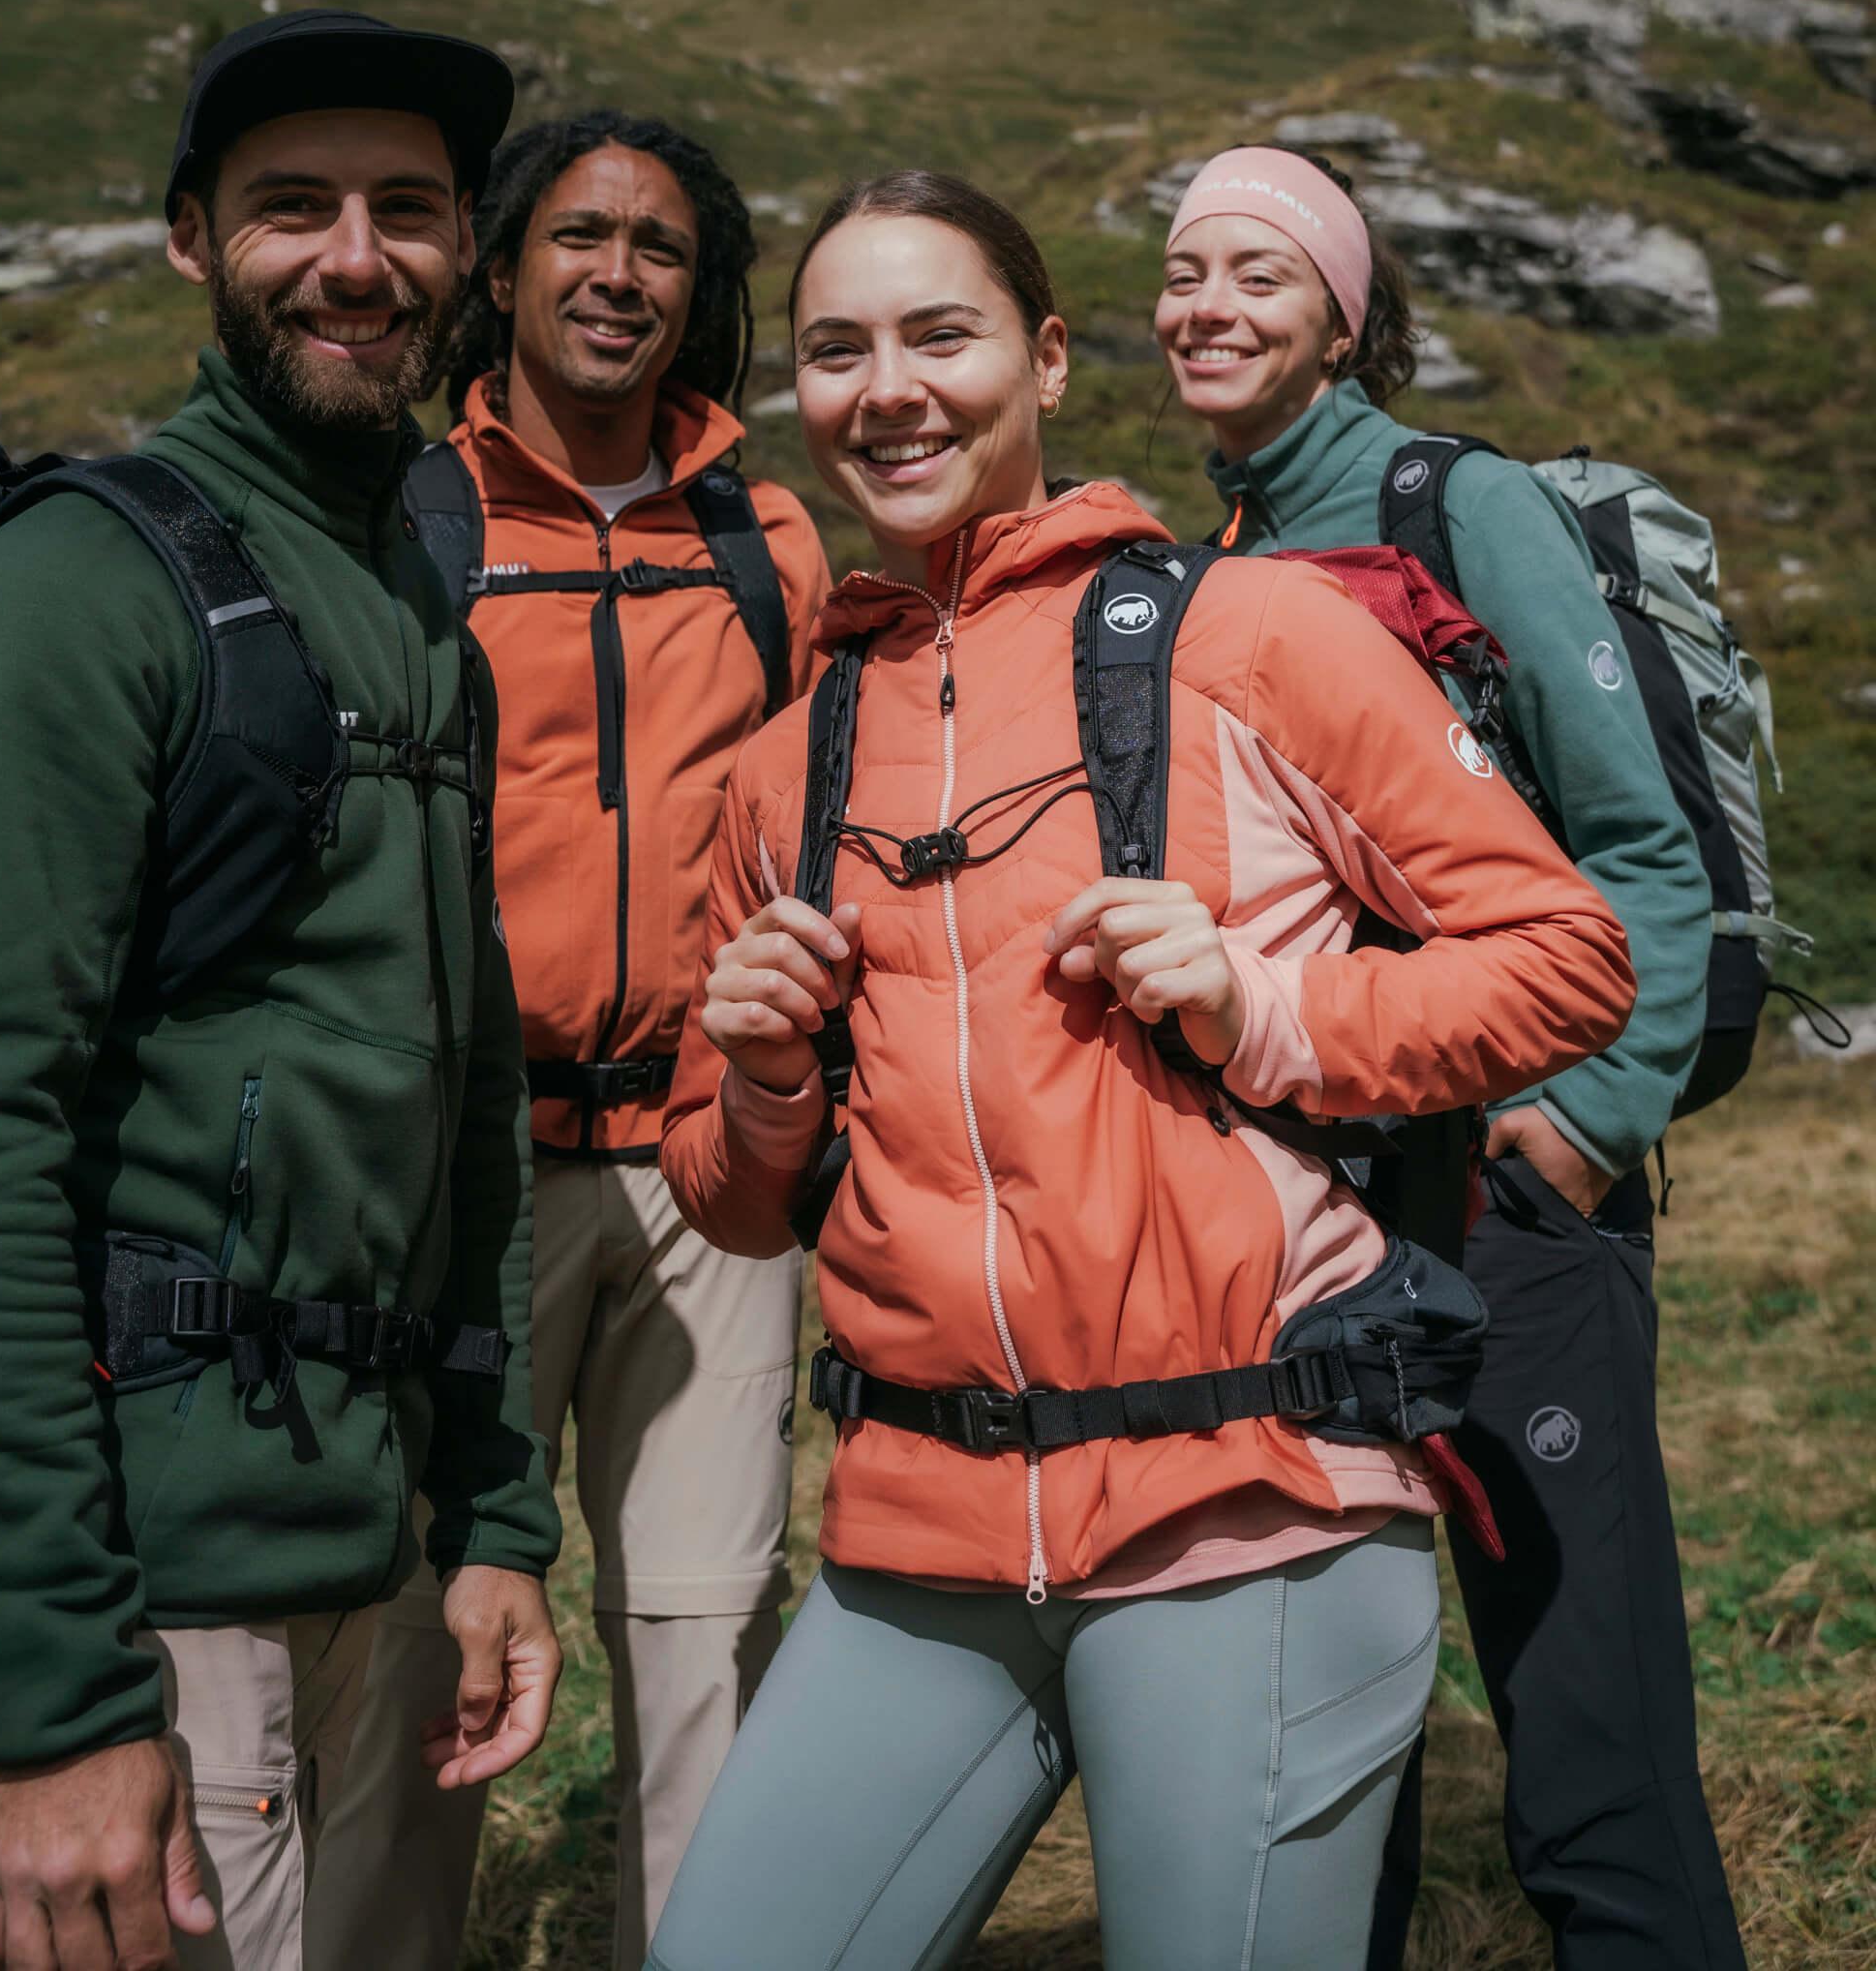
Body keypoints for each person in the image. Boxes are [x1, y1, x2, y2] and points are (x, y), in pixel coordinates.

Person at [643, 168, 1636, 1971]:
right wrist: (766, 1075)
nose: (892, 390)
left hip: (1242, 1502)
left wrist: (1272, 1007)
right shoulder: (783, 761)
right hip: (920, 1528)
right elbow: (727, 1192)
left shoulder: (1247, 636)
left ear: (1044, 358)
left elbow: (1567, 957)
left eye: (941, 336)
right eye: (838, 351)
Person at [0, 10, 563, 1971]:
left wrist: (490, 1519)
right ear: (192, 239)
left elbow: (463, 1096)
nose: (356, 260)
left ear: (468, 249)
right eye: (293, 207)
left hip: (354, 1554)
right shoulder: (72, 592)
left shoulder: (411, 609)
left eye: (407, 209)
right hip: (142, 1603)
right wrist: (50, 1689)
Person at [1152, 143, 1742, 1971]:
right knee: (1332, 1709)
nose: (1207, 307)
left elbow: (1639, 842)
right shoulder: (1211, 561)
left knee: (1582, 1713)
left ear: (1342, 313)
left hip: (1507, 1201)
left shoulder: (1451, 499)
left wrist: (1577, 1127)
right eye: (1183, 272)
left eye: (1258, 273)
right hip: (1306, 1217)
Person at [306, 114, 829, 1971]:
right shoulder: (410, 518)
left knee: (707, 1655)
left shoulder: (768, 538)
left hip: (708, 1173)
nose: (620, 274)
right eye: (582, 238)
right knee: (419, 1652)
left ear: (702, 293)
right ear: (506, 268)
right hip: (465, 1186)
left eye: (664, 248)